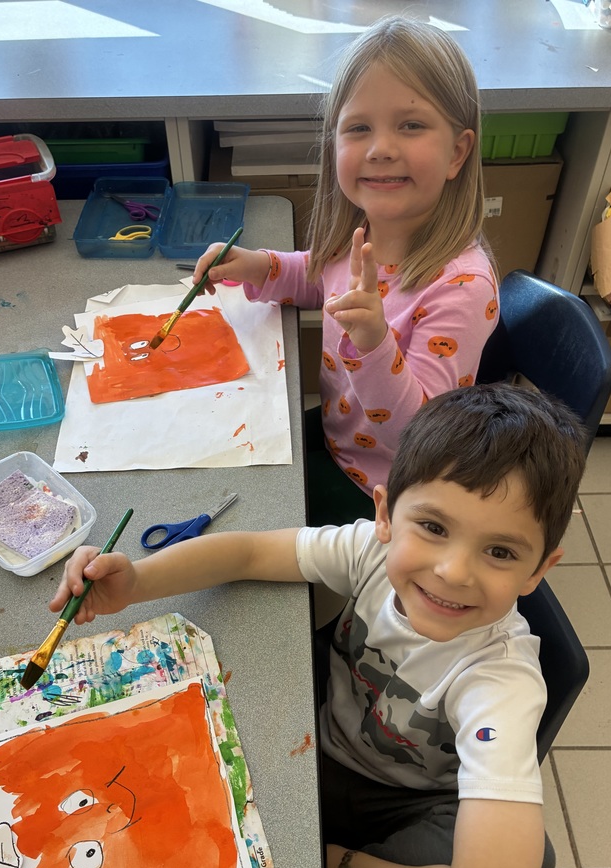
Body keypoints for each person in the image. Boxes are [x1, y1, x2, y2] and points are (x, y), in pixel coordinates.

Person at [49, 382, 588, 868]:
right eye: (433, 528)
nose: (453, 571)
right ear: (384, 513)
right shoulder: (373, 553)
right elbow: (251, 552)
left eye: (500, 552)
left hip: (401, 800)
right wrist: (136, 582)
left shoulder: (500, 681)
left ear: (539, 570)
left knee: (520, 866)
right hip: (324, 738)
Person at [193, 16, 498, 527]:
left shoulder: (463, 288)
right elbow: (318, 278)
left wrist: (375, 341)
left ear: (458, 152)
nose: (380, 148)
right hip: (341, 444)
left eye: (411, 125)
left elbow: (419, 436)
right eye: (359, 128)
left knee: (251, 525)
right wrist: (256, 266)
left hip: (389, 492)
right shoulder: (364, 231)